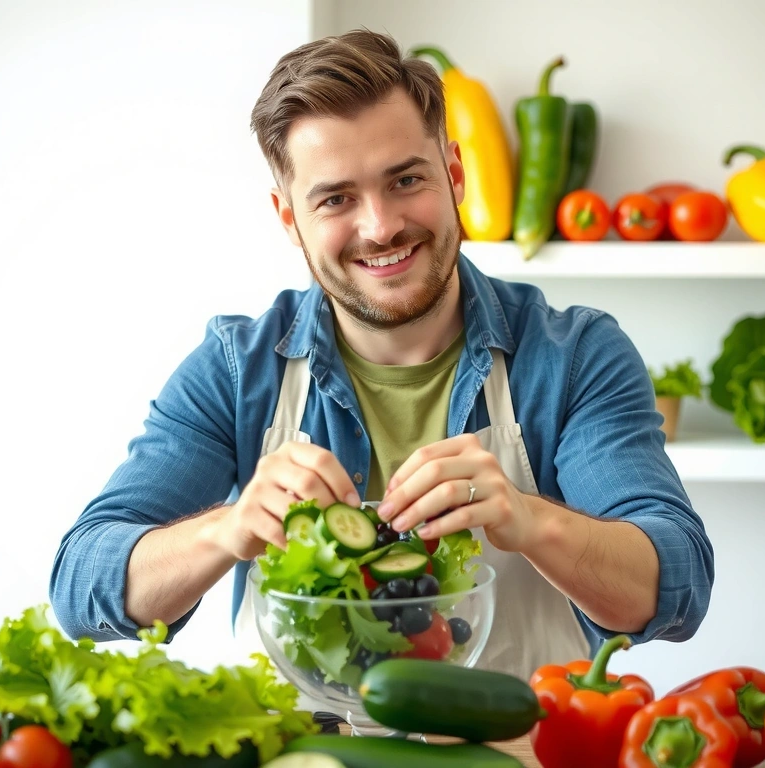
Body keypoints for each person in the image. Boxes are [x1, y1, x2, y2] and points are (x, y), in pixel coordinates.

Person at [49, 29, 714, 682]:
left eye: (405, 180)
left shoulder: (573, 356)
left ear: (454, 174)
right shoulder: (237, 368)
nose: (381, 225)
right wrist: (227, 530)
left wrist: (529, 517)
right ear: (289, 220)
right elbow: (82, 586)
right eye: (337, 198)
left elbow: (677, 586)